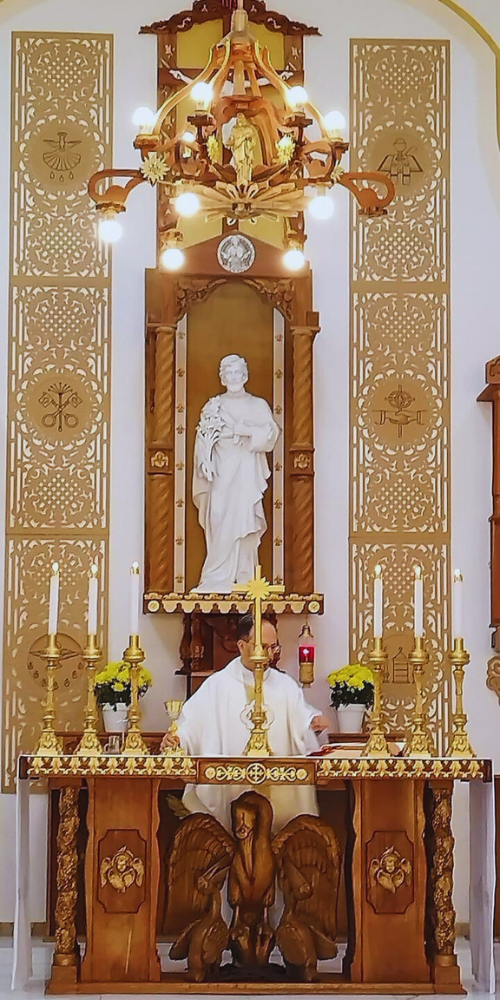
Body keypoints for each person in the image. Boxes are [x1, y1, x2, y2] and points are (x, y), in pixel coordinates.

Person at [161, 616, 322, 831]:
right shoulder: (217, 686)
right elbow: (193, 727)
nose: (268, 654)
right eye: (262, 646)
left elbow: (303, 724)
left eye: (273, 647)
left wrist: (312, 725)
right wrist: (177, 740)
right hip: (231, 789)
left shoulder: (286, 686)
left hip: (279, 789)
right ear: (241, 645)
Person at [192, 355, 280, 593]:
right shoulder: (213, 406)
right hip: (220, 472)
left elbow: (271, 435)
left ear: (245, 376)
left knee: (245, 518)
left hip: (245, 472)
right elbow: (203, 439)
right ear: (222, 378)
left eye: (237, 373)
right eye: (228, 373)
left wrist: (246, 430)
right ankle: (216, 575)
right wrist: (204, 461)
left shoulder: (257, 405)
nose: (233, 378)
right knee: (219, 516)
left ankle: (243, 574)